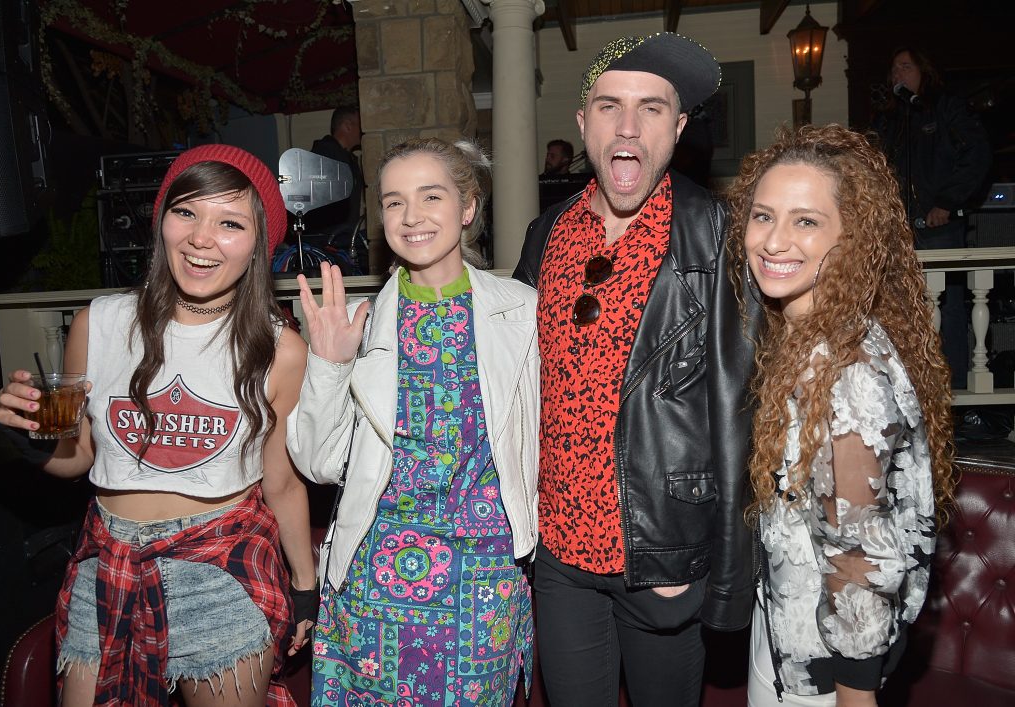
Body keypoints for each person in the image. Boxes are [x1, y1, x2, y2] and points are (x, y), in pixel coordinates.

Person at [0, 144, 316, 705]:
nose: (200, 238)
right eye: (185, 211)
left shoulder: (280, 350)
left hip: (222, 566)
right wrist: (30, 440)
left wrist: (306, 588)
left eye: (230, 222)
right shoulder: (99, 323)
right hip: (107, 560)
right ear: (162, 219)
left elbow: (282, 483)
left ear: (259, 243)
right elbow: (79, 457)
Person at [513, 33, 758, 707]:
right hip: (559, 556)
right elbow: (513, 380)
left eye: (651, 108)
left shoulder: (718, 235)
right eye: (609, 106)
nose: (628, 126)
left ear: (677, 129)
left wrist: (720, 568)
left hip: (663, 558)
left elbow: (743, 413)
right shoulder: (547, 232)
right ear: (583, 124)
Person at [287, 137, 539, 706]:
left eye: (431, 196)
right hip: (373, 577)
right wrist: (328, 363)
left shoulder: (522, 312)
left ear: (468, 207)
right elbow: (318, 464)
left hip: (484, 578)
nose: (411, 216)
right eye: (394, 202)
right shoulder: (361, 323)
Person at [724, 124, 955, 706]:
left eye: (806, 221)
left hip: (826, 672)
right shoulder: (801, 335)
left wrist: (856, 695)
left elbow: (859, 556)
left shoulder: (845, 370)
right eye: (763, 216)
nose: (774, 240)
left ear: (850, 238)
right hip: (789, 633)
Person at [873, 47, 992, 388]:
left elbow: (977, 154)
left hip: (940, 227)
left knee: (948, 307)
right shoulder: (889, 119)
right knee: (900, 307)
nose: (898, 74)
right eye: (894, 69)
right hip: (899, 230)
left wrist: (946, 202)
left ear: (924, 71)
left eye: (906, 66)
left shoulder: (947, 108)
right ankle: (910, 388)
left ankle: (953, 389)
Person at [309, 105, 365, 239]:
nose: (363, 130)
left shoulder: (347, 158)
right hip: (328, 241)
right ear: (347, 126)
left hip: (342, 239)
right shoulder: (324, 156)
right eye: (360, 125)